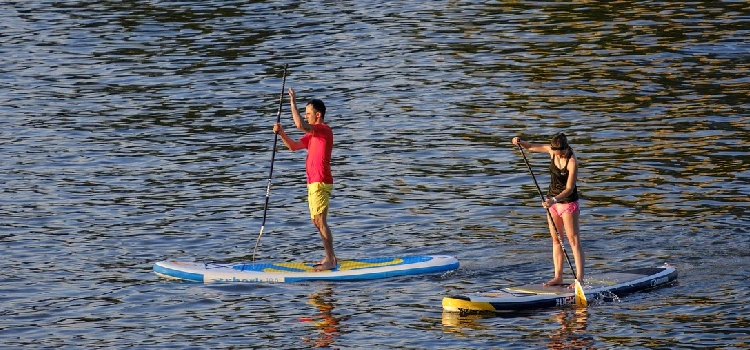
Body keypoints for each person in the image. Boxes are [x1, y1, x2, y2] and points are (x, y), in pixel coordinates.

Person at [273, 88, 336, 271]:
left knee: (320, 220)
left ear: (318, 115)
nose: (306, 116)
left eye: (308, 113)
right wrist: (282, 133)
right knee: (316, 221)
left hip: (321, 181)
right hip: (312, 182)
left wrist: (292, 103)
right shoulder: (312, 136)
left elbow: (300, 125)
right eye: (305, 113)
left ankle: (330, 260)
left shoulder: (323, 130)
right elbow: (293, 146)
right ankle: (330, 257)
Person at [512, 133, 584, 288]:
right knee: (556, 240)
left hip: (567, 202)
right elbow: (530, 147)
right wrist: (519, 142)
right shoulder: (551, 151)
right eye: (557, 153)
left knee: (573, 240)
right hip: (552, 202)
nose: (560, 155)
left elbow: (570, 188)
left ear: (565, 148)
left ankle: (579, 279)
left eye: (562, 153)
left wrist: (555, 200)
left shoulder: (572, 161)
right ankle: (558, 276)